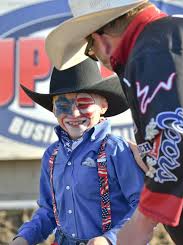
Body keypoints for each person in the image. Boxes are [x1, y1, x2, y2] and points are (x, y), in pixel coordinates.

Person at [45, 0, 183, 244]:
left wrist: (142, 221)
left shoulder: (153, 47)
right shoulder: (173, 39)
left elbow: (181, 136)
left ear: (101, 39)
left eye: (90, 50)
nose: (97, 57)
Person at [10, 58, 145, 245]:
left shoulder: (115, 150)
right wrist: (25, 237)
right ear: (53, 109)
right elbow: (49, 210)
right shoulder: (52, 156)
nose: (73, 114)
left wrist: (109, 239)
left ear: (103, 106)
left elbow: (141, 205)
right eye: (63, 105)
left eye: (83, 103)